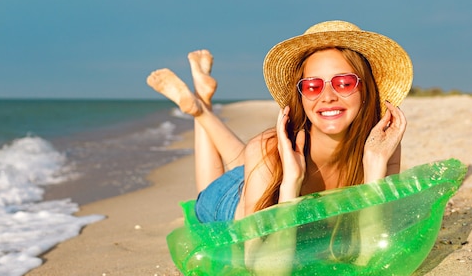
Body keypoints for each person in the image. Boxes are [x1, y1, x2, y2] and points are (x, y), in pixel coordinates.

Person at [147, 20, 413, 225]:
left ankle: (202, 103)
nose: (328, 96)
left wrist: (376, 165)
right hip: (235, 206)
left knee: (253, 157)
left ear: (366, 89)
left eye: (344, 83)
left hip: (265, 171)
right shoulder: (268, 151)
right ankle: (199, 110)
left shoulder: (380, 143)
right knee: (209, 189)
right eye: (312, 86)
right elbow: (252, 251)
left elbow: (378, 234)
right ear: (301, 94)